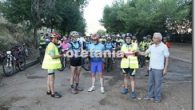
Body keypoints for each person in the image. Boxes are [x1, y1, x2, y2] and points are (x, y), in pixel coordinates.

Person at [140, 32, 169, 103]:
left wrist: (165, 69)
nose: (152, 38)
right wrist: (137, 52)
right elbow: (144, 53)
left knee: (158, 84)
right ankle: (150, 95)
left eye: (154, 37)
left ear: (159, 39)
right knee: (150, 83)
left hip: (159, 69)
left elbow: (167, 58)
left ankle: (157, 98)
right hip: (151, 68)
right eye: (153, 37)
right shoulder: (152, 46)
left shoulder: (164, 46)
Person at [42, 33, 63, 98]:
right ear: (53, 38)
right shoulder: (51, 45)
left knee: (49, 78)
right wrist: (61, 55)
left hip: (49, 65)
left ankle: (49, 91)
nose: (58, 40)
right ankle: (53, 93)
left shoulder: (51, 45)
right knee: (52, 79)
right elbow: (53, 56)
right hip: (50, 65)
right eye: (57, 38)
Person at [120, 34, 139, 99]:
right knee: (125, 76)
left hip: (132, 64)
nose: (128, 39)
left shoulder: (135, 44)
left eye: (129, 38)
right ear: (125, 39)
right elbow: (122, 54)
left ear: (131, 39)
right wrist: (128, 53)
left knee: (132, 78)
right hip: (124, 64)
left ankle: (133, 92)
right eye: (126, 38)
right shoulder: (123, 45)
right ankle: (126, 88)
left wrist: (127, 54)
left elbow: (135, 52)